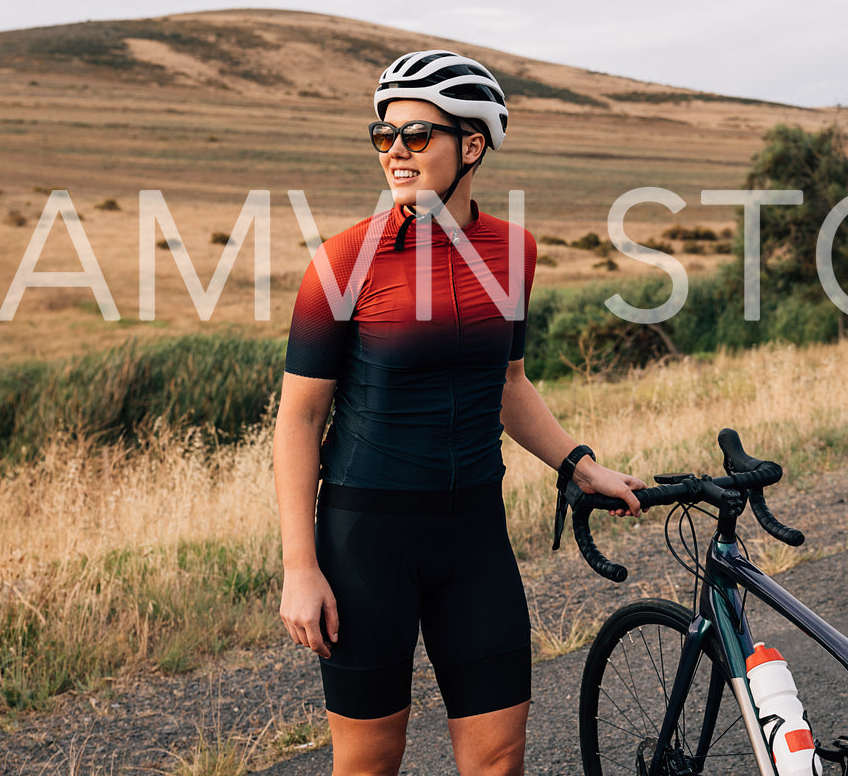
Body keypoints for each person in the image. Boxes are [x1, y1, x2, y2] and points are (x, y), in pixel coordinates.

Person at [273, 50, 645, 776]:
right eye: (384, 136)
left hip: (474, 537)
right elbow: (298, 419)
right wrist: (299, 567)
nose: (395, 152)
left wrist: (579, 464)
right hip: (364, 542)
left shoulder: (513, 253)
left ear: (471, 144)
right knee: (369, 763)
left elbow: (507, 382)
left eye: (416, 135)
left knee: (498, 758)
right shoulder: (342, 262)